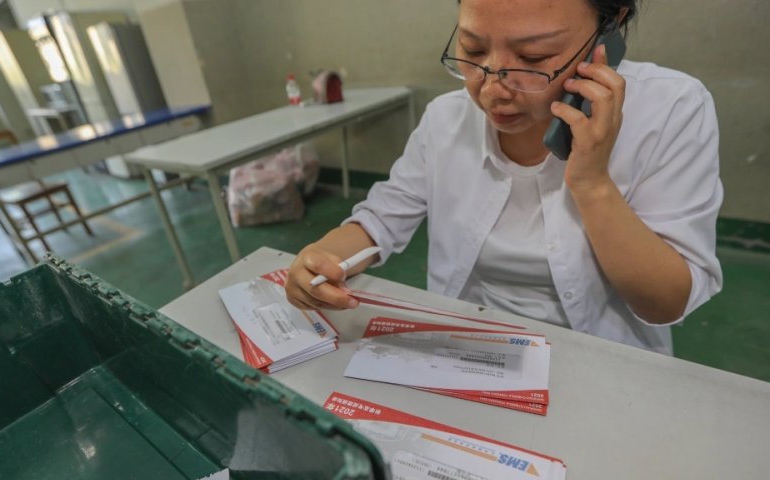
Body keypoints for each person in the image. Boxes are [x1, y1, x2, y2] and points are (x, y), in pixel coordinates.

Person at [285, 0, 723, 355]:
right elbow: (380, 220)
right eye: (474, 51)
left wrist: (592, 184)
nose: (492, 89)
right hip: (470, 352)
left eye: (534, 58)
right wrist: (322, 258)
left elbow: (666, 303)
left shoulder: (671, 110)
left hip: (602, 363)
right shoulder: (446, 119)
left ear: (610, 28)